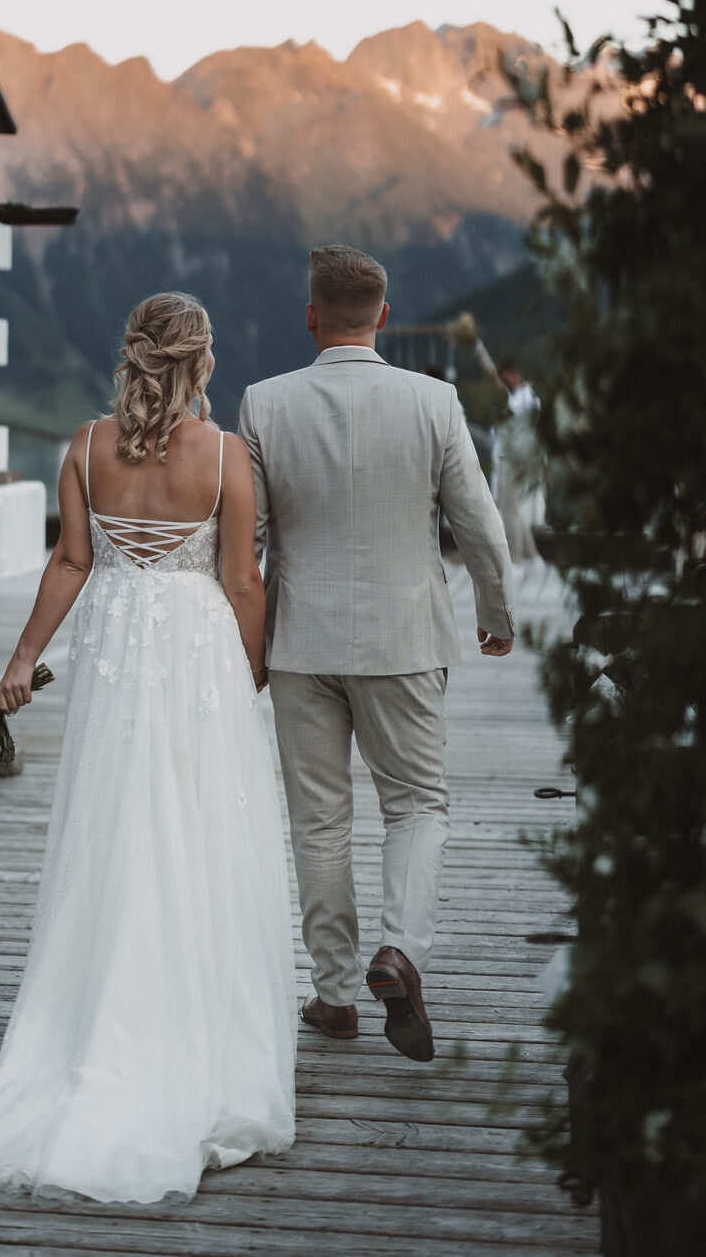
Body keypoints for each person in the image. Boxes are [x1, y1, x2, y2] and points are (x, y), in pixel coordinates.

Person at [0, 292, 296, 1204]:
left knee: (118, 829)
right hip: (198, 658)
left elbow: (70, 562)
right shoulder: (225, 456)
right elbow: (242, 580)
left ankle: (93, 1030)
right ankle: (191, 1041)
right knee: (200, 838)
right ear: (202, 364)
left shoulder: (86, 447)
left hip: (121, 657)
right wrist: (254, 676)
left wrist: (18, 658)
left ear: (134, 359)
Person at [239, 245, 516, 1063]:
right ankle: (399, 952)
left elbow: (244, 543)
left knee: (319, 822)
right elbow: (479, 523)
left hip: (300, 643)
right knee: (418, 803)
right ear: (385, 317)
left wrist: (247, 644)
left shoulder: (264, 403)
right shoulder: (435, 401)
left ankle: (332, 996)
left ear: (313, 315)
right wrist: (495, 612)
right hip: (404, 639)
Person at [493, 360, 542, 564]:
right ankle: (532, 555)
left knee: (508, 509)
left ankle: (517, 557)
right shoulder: (514, 398)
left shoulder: (528, 399)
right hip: (511, 459)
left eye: (506, 378)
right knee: (511, 508)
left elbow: (528, 432)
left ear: (514, 374)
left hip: (519, 460)